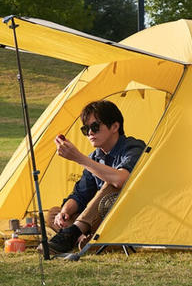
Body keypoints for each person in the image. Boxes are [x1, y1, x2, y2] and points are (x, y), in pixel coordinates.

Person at [42, 100, 146, 255]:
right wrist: (65, 211)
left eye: (95, 127)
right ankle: (85, 238)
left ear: (115, 127)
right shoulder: (95, 157)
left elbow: (121, 180)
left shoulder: (134, 147)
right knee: (53, 213)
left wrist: (79, 158)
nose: (90, 132)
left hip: (128, 216)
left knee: (111, 185)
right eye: (86, 129)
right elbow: (80, 194)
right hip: (98, 218)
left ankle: (76, 233)